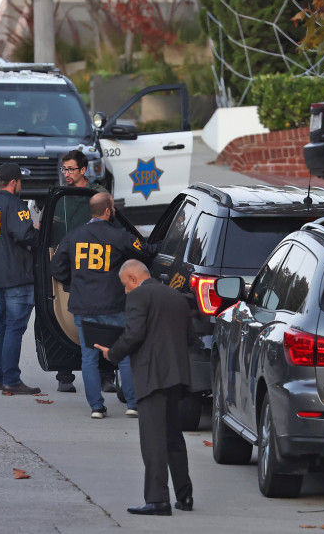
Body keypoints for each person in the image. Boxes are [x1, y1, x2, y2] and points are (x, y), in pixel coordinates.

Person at [95, 259, 193, 516]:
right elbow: (188, 336)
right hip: (176, 375)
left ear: (134, 278)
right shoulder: (177, 297)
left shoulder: (138, 297)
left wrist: (112, 353)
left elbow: (134, 333)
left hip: (151, 375)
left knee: (153, 440)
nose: (126, 291)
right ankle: (185, 495)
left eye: (125, 285)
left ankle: (157, 499)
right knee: (173, 437)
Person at [50, 193, 156, 418]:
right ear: (108, 211)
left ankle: (96, 408)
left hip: (83, 306)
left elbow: (56, 267)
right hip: (114, 306)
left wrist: (74, 282)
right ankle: (132, 404)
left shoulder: (73, 236)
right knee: (124, 355)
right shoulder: (119, 236)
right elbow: (146, 252)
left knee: (88, 357)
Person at [0, 162, 41, 395]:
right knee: (14, 328)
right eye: (20, 182)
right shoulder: (15, 204)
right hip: (18, 278)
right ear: (14, 182)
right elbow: (25, 234)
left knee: (2, 327)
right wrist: (38, 230)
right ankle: (11, 380)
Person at [55, 149, 116, 394]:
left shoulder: (98, 195)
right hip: (69, 267)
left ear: (83, 170)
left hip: (97, 268)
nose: (66, 174)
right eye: (64, 169)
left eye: (71, 169)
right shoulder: (61, 197)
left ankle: (105, 374)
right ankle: (64, 373)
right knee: (63, 319)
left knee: (100, 326)